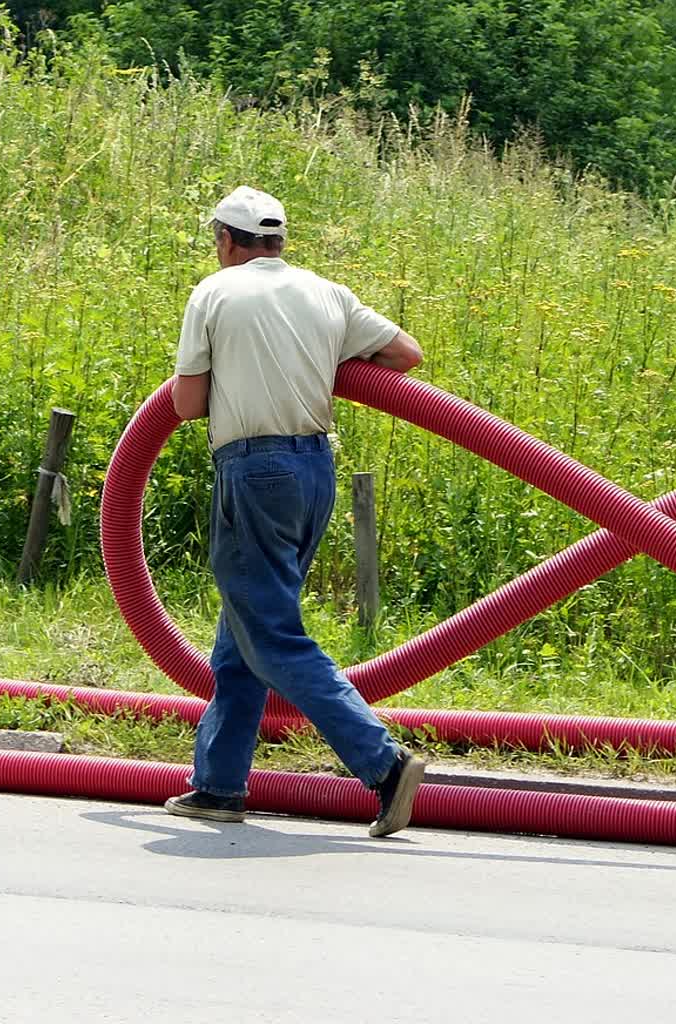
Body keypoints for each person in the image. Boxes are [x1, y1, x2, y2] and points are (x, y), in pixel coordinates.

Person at [163, 185, 428, 838]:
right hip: (314, 471)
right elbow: (404, 355)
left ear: (225, 240)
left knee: (272, 636)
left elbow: (186, 405)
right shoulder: (325, 292)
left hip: (252, 470)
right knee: (245, 631)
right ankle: (218, 786)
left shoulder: (214, 292)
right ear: (279, 241)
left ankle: (383, 764)